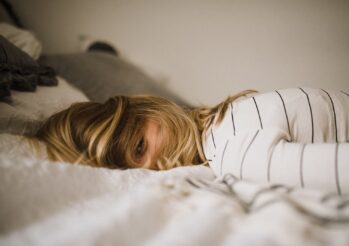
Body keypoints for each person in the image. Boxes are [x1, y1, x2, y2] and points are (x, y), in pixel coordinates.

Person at [32, 88, 349, 194]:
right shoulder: (226, 118)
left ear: (149, 108)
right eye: (135, 173)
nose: (153, 170)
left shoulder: (233, 152)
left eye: (140, 146)